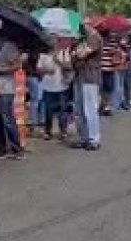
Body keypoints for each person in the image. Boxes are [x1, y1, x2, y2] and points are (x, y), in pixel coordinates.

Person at [0, 33, 24, 158]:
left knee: (7, 118)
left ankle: (16, 147)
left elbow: (17, 65)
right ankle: (0, 148)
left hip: (7, 87)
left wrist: (3, 70)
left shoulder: (9, 47)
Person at [71, 23, 103, 151]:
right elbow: (74, 54)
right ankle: (83, 137)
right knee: (78, 110)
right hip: (79, 76)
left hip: (90, 76)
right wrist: (76, 52)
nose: (81, 27)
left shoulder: (95, 37)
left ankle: (94, 139)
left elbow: (81, 54)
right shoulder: (83, 39)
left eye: (83, 24)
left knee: (90, 109)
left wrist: (77, 52)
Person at [41, 37, 72, 140]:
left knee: (63, 110)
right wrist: (46, 70)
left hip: (62, 86)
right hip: (48, 86)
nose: (53, 44)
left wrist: (58, 61)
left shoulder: (63, 53)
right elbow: (39, 69)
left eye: (55, 42)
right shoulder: (43, 54)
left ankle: (63, 131)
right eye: (50, 42)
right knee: (48, 110)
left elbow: (68, 67)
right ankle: (47, 131)